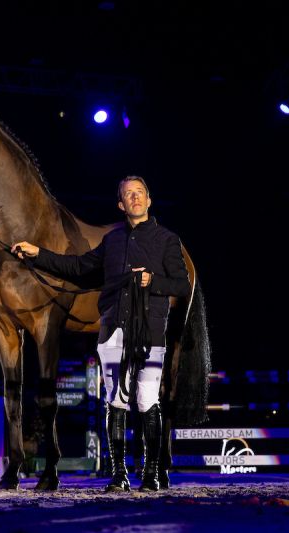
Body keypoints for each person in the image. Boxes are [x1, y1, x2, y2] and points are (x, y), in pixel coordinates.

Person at [11, 176, 190, 492]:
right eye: (127, 194)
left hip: (149, 334)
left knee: (147, 399)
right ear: (121, 205)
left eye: (139, 193)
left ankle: (152, 472)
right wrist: (37, 252)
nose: (134, 198)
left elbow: (181, 285)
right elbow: (77, 267)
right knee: (116, 401)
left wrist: (153, 281)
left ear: (149, 200)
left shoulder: (167, 240)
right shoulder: (113, 241)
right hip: (113, 333)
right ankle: (119, 474)